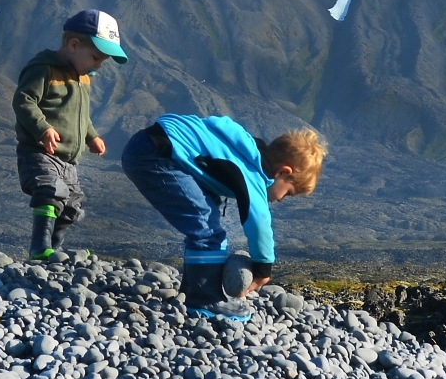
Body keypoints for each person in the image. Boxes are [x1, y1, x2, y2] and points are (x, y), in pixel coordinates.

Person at [120, 113, 325, 313]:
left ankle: (192, 289)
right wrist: (263, 269)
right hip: (157, 155)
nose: (281, 200)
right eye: (288, 193)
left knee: (207, 214)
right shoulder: (252, 172)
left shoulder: (245, 149)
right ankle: (204, 299)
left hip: (152, 144)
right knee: (208, 231)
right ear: (282, 172)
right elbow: (259, 222)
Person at [13, 9, 127, 260]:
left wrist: (91, 136)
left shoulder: (83, 79)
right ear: (74, 45)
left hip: (69, 161)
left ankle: (55, 248)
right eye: (96, 58)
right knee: (50, 191)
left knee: (72, 204)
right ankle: (39, 247)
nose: (98, 65)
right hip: (40, 152)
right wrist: (43, 128)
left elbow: (80, 115)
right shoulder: (43, 69)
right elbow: (24, 100)